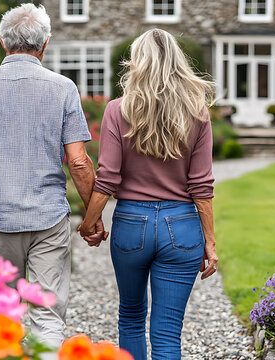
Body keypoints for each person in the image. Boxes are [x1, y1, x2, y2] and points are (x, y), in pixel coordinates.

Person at [0, 3, 107, 349]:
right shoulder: (63, 88)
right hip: (49, 217)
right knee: (47, 316)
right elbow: (79, 163)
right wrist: (92, 215)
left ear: (3, 43)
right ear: (45, 44)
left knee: (1, 317)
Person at [78, 28, 218, 360]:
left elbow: (108, 177)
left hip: (131, 224)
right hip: (182, 228)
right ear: (177, 63)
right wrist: (209, 240)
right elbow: (201, 185)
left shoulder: (117, 109)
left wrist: (89, 223)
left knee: (130, 317)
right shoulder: (198, 111)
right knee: (168, 332)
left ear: (137, 63)